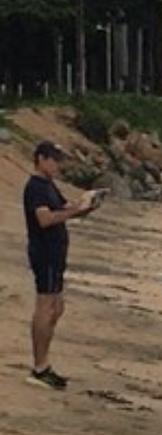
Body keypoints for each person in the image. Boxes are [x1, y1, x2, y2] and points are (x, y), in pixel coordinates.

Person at [23, 141, 98, 390]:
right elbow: (45, 219)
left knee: (57, 307)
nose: (57, 164)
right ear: (41, 159)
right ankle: (39, 367)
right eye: (53, 159)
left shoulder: (49, 186)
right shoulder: (35, 187)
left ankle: (44, 364)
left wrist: (87, 205)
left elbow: (66, 209)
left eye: (59, 159)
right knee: (45, 306)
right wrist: (73, 213)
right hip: (44, 253)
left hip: (56, 254)